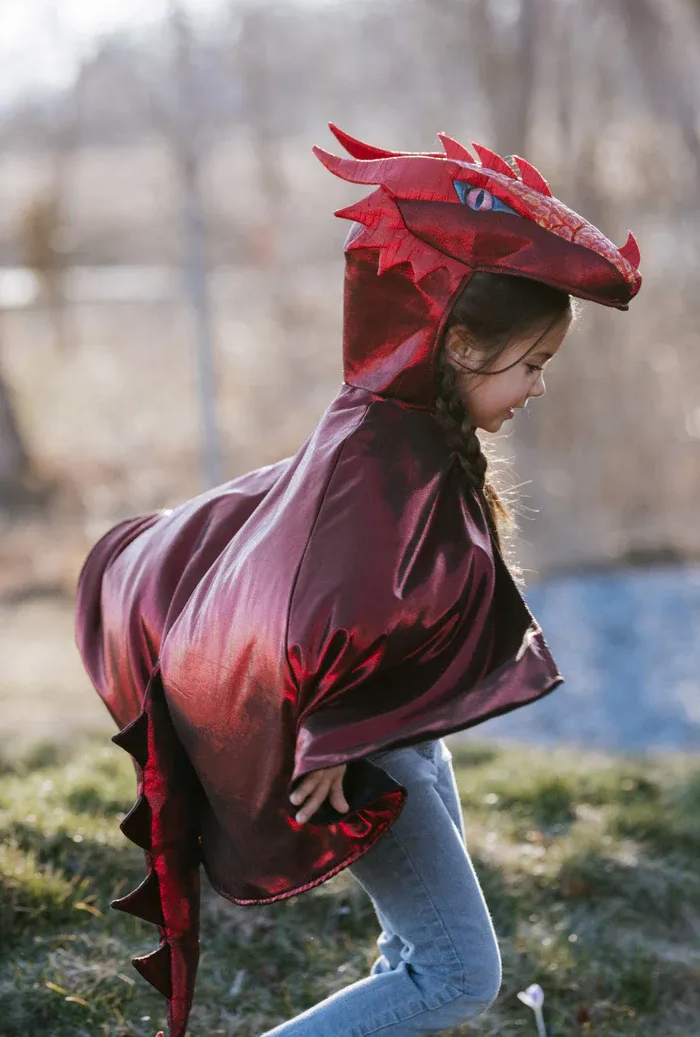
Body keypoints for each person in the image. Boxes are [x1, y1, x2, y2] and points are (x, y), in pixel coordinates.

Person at [75, 124, 641, 1037]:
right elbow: (311, 600)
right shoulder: (383, 450)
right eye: (531, 365)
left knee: (412, 961)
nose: (537, 388)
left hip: (395, 722)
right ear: (459, 345)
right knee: (455, 974)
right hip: (363, 739)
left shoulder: (403, 427)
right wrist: (334, 732)